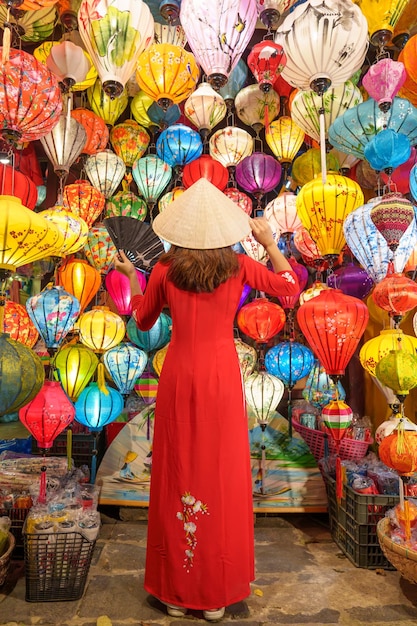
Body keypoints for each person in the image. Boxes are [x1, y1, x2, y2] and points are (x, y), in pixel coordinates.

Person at [114, 178, 299, 622]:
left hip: (178, 374)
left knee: (178, 469)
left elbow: (142, 320)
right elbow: (289, 289)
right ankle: (214, 594)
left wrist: (130, 278)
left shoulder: (162, 270)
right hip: (220, 375)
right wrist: (271, 243)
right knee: (219, 474)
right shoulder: (237, 267)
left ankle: (176, 592)